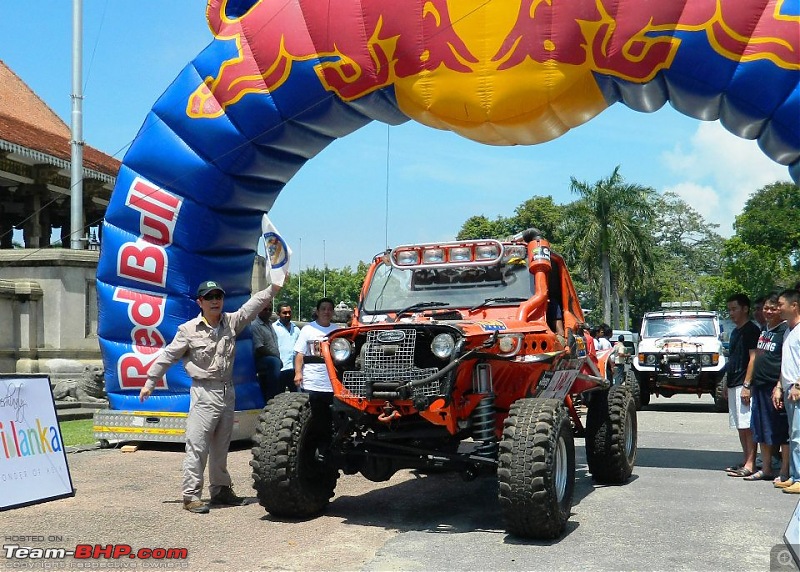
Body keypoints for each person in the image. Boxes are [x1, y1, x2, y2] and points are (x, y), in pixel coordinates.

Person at [140, 279, 279, 514]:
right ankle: (191, 495)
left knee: (221, 446)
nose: (215, 301)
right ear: (200, 302)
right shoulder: (188, 330)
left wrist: (273, 289)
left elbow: (253, 305)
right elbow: (168, 356)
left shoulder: (231, 322)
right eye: (210, 297)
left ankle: (221, 490)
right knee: (198, 444)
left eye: (219, 296)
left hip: (227, 390)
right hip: (204, 392)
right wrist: (150, 382)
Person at [742, 294, 789, 482]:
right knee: (761, 428)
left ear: (780, 309)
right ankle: (766, 467)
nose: (768, 312)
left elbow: (787, 361)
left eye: (773, 308)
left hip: (774, 387)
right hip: (759, 386)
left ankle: (785, 471)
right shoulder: (764, 329)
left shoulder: (785, 331)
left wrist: (779, 385)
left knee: (781, 430)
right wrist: (749, 384)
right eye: (766, 308)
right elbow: (757, 358)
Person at [725, 293, 761, 478]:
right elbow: (732, 359)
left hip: (744, 384)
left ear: (745, 308)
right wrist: (726, 383)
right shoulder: (735, 331)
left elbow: (753, 358)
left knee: (748, 426)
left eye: (734, 309)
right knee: (740, 425)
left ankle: (751, 463)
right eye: (729, 309)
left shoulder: (751, 331)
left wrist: (747, 384)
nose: (731, 313)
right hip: (733, 382)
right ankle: (745, 459)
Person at [294, 297, 340, 442]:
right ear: (318, 311)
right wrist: (298, 373)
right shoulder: (308, 329)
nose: (326, 312)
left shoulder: (337, 330)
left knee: (332, 419)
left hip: (332, 383)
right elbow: (299, 354)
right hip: (312, 382)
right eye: (323, 309)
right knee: (315, 418)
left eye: (329, 309)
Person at [776, 289, 800, 493]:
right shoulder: (787, 330)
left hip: (797, 390)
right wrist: (778, 386)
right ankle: (794, 475)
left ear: (794, 306)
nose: (778, 308)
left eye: (781, 304)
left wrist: (798, 385)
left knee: (799, 435)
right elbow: (786, 363)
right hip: (787, 388)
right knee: (793, 435)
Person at [251, 306, 283, 403]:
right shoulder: (255, 325)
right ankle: (272, 397)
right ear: (258, 310)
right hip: (262, 360)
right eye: (265, 309)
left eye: (270, 309)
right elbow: (259, 347)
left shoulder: (269, 324)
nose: (268, 312)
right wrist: (276, 358)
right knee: (274, 363)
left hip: (271, 362)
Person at [272, 302, 300, 395]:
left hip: (294, 370)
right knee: (278, 397)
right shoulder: (273, 328)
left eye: (289, 312)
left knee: (297, 397)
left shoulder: (296, 329)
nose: (287, 315)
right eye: (284, 313)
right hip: (280, 369)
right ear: (278, 314)